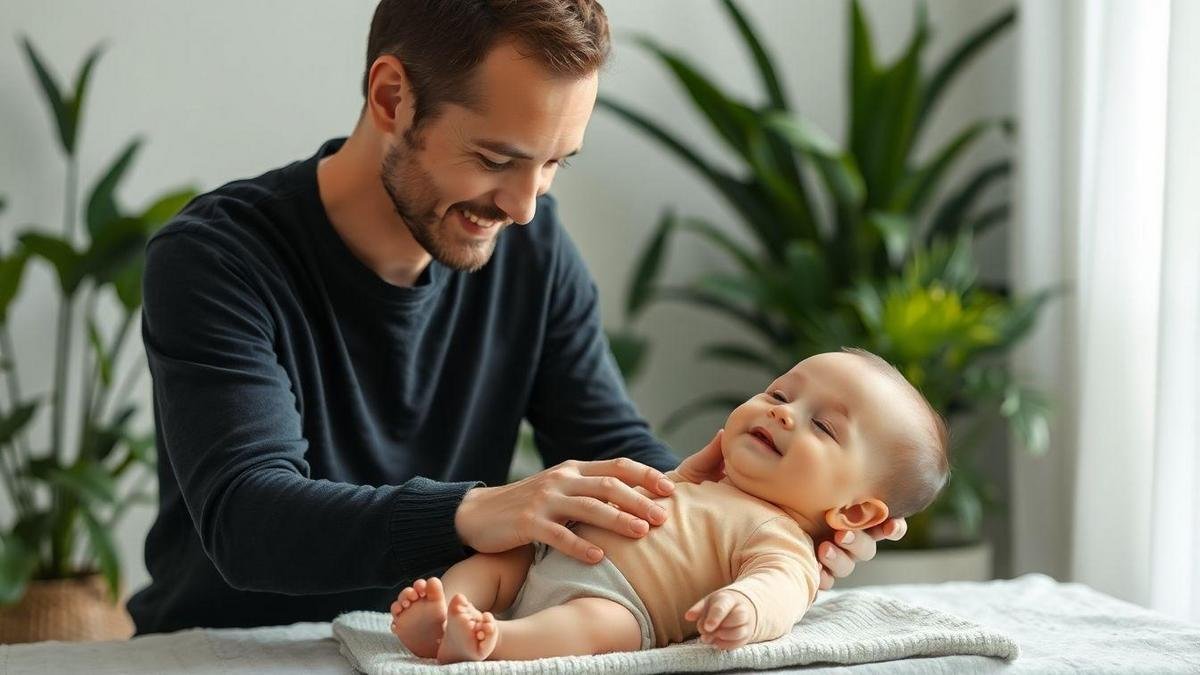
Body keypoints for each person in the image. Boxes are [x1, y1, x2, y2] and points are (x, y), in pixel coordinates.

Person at [127, 0, 906, 635]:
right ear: (392, 98)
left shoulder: (530, 251)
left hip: (456, 649)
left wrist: (752, 526)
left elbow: (609, 449)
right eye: (498, 159)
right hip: (226, 650)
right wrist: (476, 509)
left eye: (555, 163)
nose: (525, 207)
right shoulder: (217, 259)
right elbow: (248, 517)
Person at [387, 349, 948, 662]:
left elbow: (779, 588)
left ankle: (497, 642)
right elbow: (663, 504)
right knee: (494, 564)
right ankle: (442, 615)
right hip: (543, 557)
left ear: (853, 515)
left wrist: (745, 608)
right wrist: (678, 476)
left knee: (592, 627)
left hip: (623, 603)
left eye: (822, 426)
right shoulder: (703, 483)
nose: (782, 413)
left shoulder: (783, 540)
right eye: (780, 393)